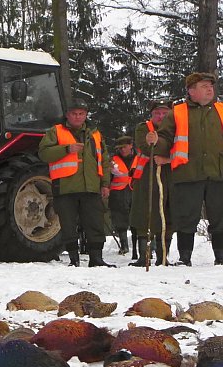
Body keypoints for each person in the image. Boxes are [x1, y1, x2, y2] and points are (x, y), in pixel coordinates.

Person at [152, 72, 223, 266]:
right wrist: (157, 142)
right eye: (204, 86)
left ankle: (221, 257)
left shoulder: (221, 110)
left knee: (220, 216)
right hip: (187, 173)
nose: (209, 89)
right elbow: (165, 138)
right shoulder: (177, 112)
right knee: (186, 217)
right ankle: (185, 258)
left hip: (218, 173)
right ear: (191, 91)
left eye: (211, 86)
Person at [38, 100, 112, 267]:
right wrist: (66, 149)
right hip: (65, 187)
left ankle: (96, 259)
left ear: (86, 115)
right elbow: (43, 153)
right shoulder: (56, 131)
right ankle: (74, 259)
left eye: (81, 114)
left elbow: (104, 160)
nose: (77, 117)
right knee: (68, 226)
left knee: (95, 224)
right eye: (74, 114)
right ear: (67, 115)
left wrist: (105, 184)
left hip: (91, 187)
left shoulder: (95, 134)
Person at [129, 99, 173, 266]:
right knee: (144, 214)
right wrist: (156, 145)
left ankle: (163, 256)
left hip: (170, 175)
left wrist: (167, 158)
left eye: (164, 113)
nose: (161, 116)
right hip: (146, 176)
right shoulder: (143, 128)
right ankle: (144, 256)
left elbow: (181, 148)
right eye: (157, 113)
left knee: (167, 213)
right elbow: (147, 148)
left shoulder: (176, 128)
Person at [107, 135, 134, 256]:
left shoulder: (139, 158)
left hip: (135, 191)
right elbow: (107, 178)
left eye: (124, 147)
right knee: (119, 220)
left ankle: (144, 246)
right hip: (118, 193)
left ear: (131, 145)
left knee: (138, 219)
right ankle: (124, 245)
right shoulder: (112, 160)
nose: (122, 150)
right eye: (120, 148)